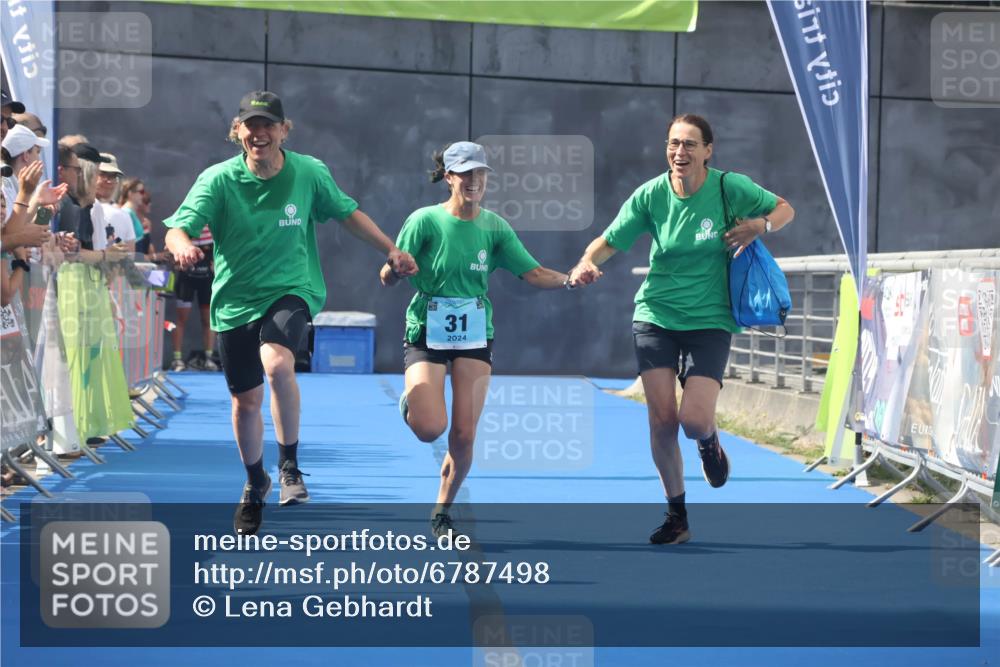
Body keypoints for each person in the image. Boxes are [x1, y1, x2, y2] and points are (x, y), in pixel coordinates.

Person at [164, 90, 417, 536]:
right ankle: (254, 482)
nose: (259, 133)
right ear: (237, 132)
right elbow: (178, 228)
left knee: (278, 363)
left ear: (284, 130)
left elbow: (348, 213)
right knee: (245, 403)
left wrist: (391, 249)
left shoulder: (309, 172)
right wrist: (182, 243)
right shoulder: (218, 179)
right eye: (251, 126)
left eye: (268, 125)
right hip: (236, 301)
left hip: (292, 288)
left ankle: (289, 466)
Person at [569, 114, 795, 545]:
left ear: (708, 151)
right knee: (662, 421)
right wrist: (586, 262)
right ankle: (677, 516)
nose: (680, 152)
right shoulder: (651, 195)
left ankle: (709, 442)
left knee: (693, 420)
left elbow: (785, 209)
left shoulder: (730, 187)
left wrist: (760, 225)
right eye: (674, 143)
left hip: (710, 320)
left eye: (690, 144)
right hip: (655, 315)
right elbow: (610, 240)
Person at [381, 141, 576, 539]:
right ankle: (412, 403)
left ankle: (442, 510)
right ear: (449, 177)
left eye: (480, 173)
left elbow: (534, 272)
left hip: (473, 334)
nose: (474, 181)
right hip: (427, 330)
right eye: (465, 173)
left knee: (464, 434)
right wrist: (395, 270)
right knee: (430, 428)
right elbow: (387, 275)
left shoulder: (495, 227)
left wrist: (571, 279)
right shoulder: (424, 221)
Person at [168, 222, 217, 371]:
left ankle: (209, 358)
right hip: (186, 279)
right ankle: (177, 359)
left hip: (207, 280)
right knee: (181, 320)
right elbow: (171, 247)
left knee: (208, 320)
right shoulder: (185, 225)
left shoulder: (214, 226)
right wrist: (175, 259)